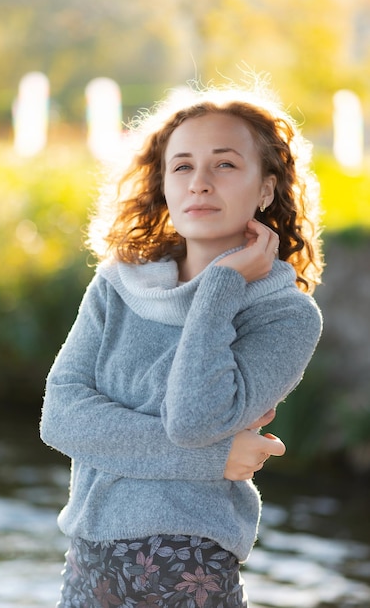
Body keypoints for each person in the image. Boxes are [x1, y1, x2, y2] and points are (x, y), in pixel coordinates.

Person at [40, 79, 324, 608]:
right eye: (183, 166)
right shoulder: (118, 285)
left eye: (225, 164)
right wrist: (215, 458)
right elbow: (60, 417)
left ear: (265, 188)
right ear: (164, 184)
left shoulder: (286, 316)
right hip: (87, 558)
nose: (200, 183)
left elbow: (192, 418)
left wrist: (222, 286)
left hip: (187, 561)